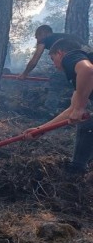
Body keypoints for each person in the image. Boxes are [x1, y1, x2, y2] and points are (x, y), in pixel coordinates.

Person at [23, 38, 93, 174]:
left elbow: (87, 70)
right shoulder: (77, 78)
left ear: (60, 53)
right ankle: (77, 170)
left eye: (52, 58)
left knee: (87, 125)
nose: (54, 64)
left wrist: (79, 109)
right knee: (88, 125)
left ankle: (76, 171)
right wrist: (40, 129)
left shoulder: (71, 57)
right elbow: (71, 110)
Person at [18, 25, 86, 79]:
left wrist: (24, 74)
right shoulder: (62, 37)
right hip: (87, 57)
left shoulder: (44, 39)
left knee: (56, 80)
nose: (37, 41)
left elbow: (35, 59)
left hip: (77, 60)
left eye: (37, 37)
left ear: (42, 34)